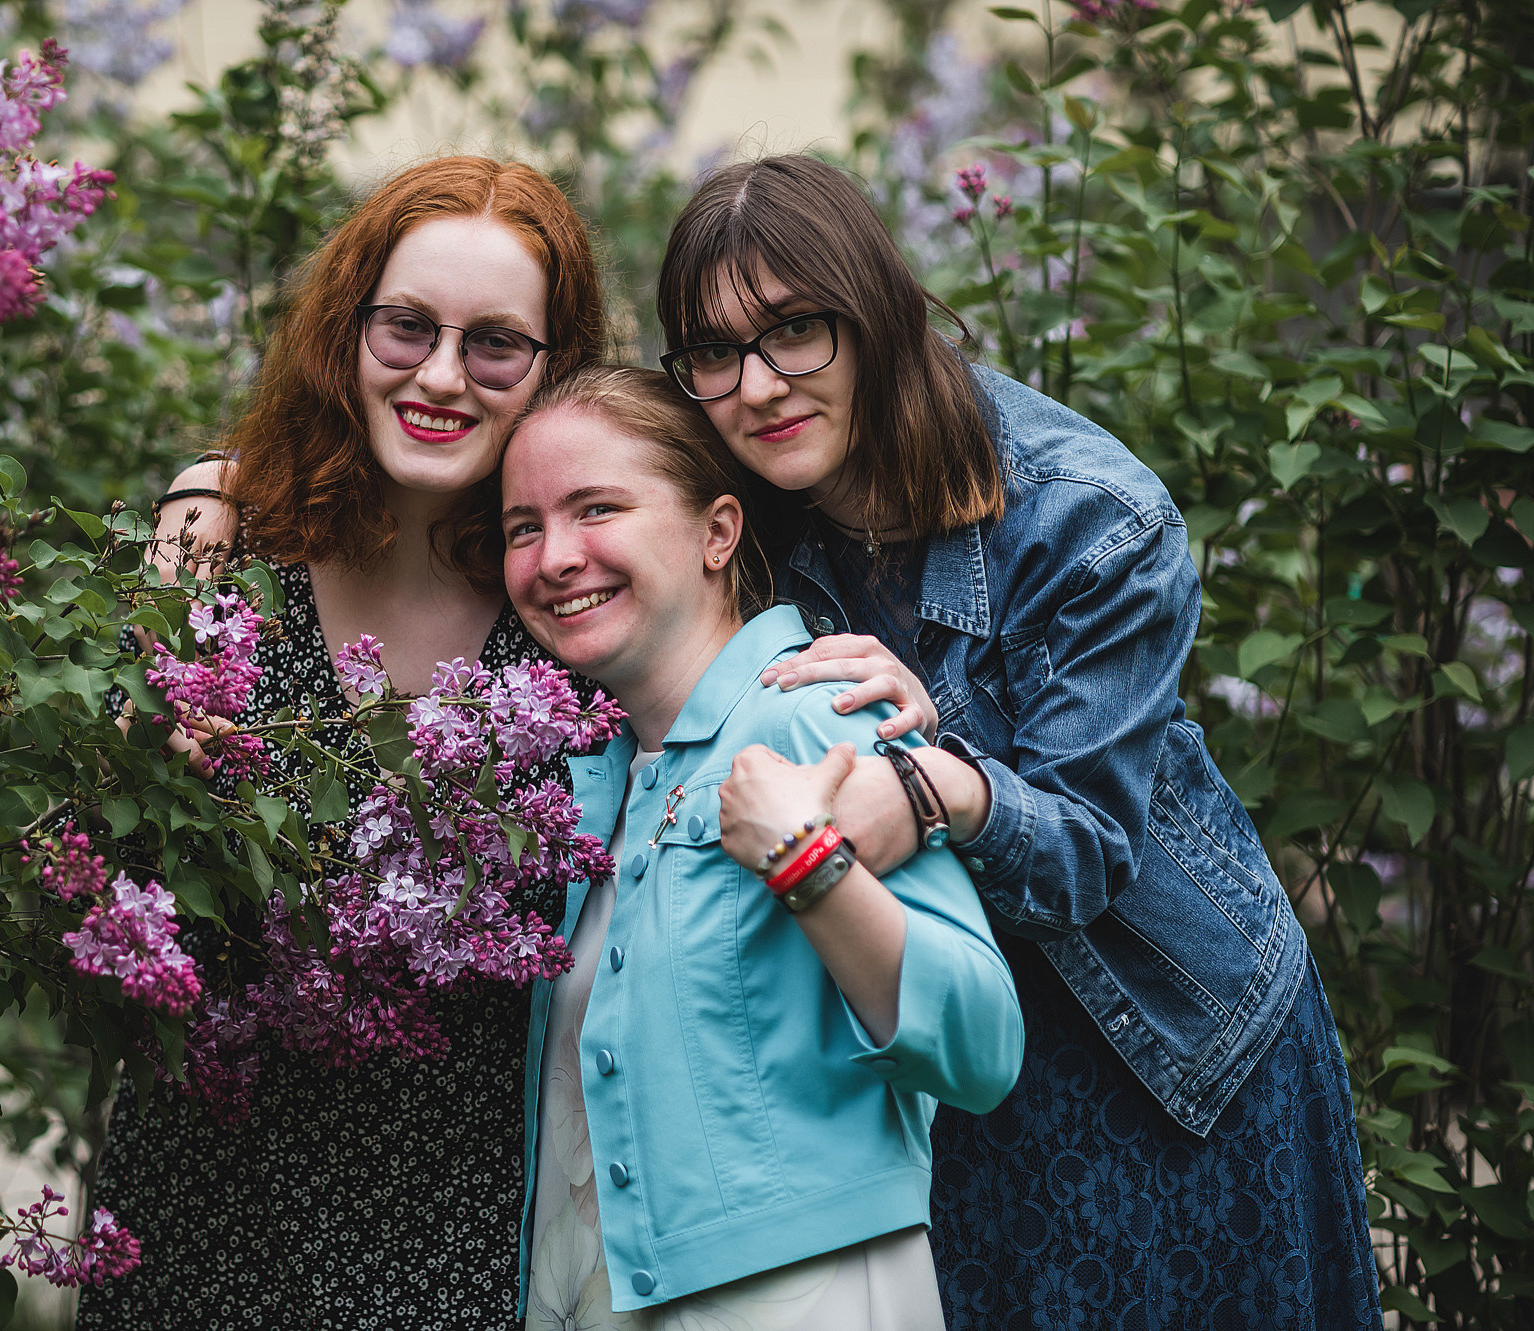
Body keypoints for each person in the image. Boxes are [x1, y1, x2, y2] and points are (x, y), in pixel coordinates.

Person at [654, 154, 1380, 1327]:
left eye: (795, 329)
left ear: (876, 313)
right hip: (947, 1032)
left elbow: (1088, 846)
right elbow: (571, 524)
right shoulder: (742, 502)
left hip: (1161, 1044)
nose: (756, 384)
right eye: (713, 350)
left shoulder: (1089, 516)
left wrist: (940, 777)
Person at [77, 155, 607, 1329]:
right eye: (406, 326)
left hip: (453, 1233)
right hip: (200, 1211)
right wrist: (131, 760)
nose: (440, 376)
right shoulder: (227, 542)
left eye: (495, 345)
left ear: (552, 371)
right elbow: (102, 848)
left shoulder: (573, 596)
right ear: (344, 328)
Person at [499, 364, 1023, 1329]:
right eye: (522, 527)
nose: (554, 556)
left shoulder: (819, 714)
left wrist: (807, 866)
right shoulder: (582, 783)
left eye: (596, 507)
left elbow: (982, 1044)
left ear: (718, 531)